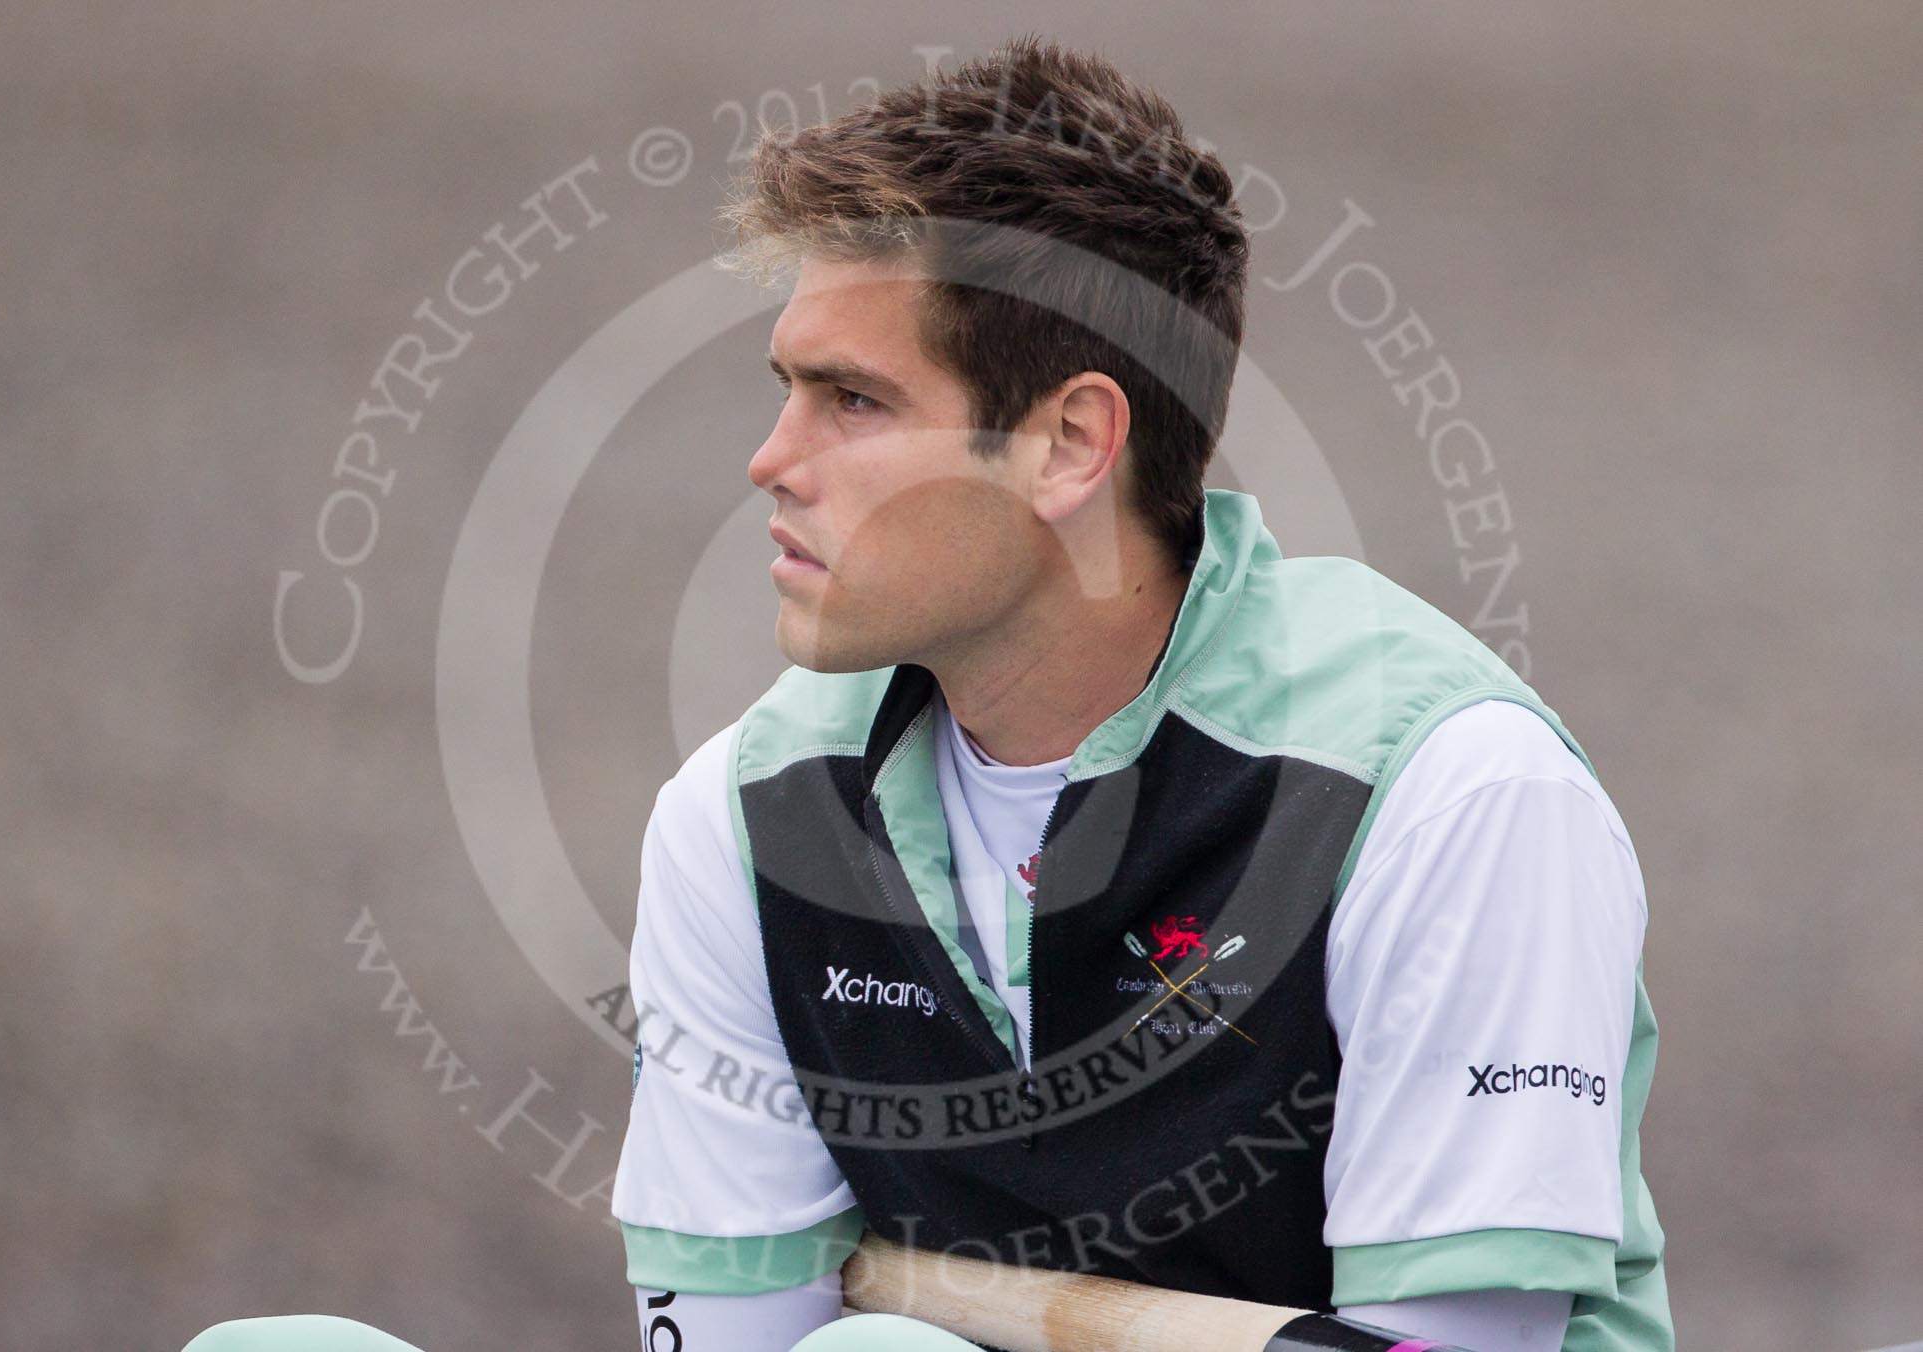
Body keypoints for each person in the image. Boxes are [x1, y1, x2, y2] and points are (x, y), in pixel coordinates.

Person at [610, 35, 1671, 1352]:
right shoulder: (744, 812)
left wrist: (925, 1293)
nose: (773, 460)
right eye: (789, 392)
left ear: (1068, 444)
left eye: (855, 401)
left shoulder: (1451, 792)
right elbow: (721, 1341)